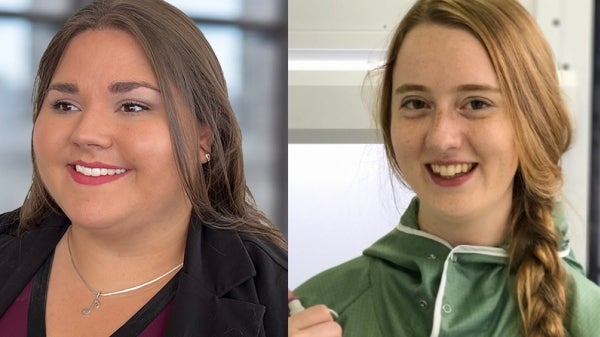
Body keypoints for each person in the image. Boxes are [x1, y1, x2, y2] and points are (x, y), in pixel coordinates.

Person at [288, 0, 600, 336]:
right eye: (417, 104)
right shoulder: (312, 310)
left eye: (476, 104)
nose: (441, 138)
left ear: (534, 121)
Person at [0, 0, 287, 336]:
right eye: (65, 104)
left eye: (132, 106)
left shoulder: (279, 297)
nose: (86, 134)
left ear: (203, 137)